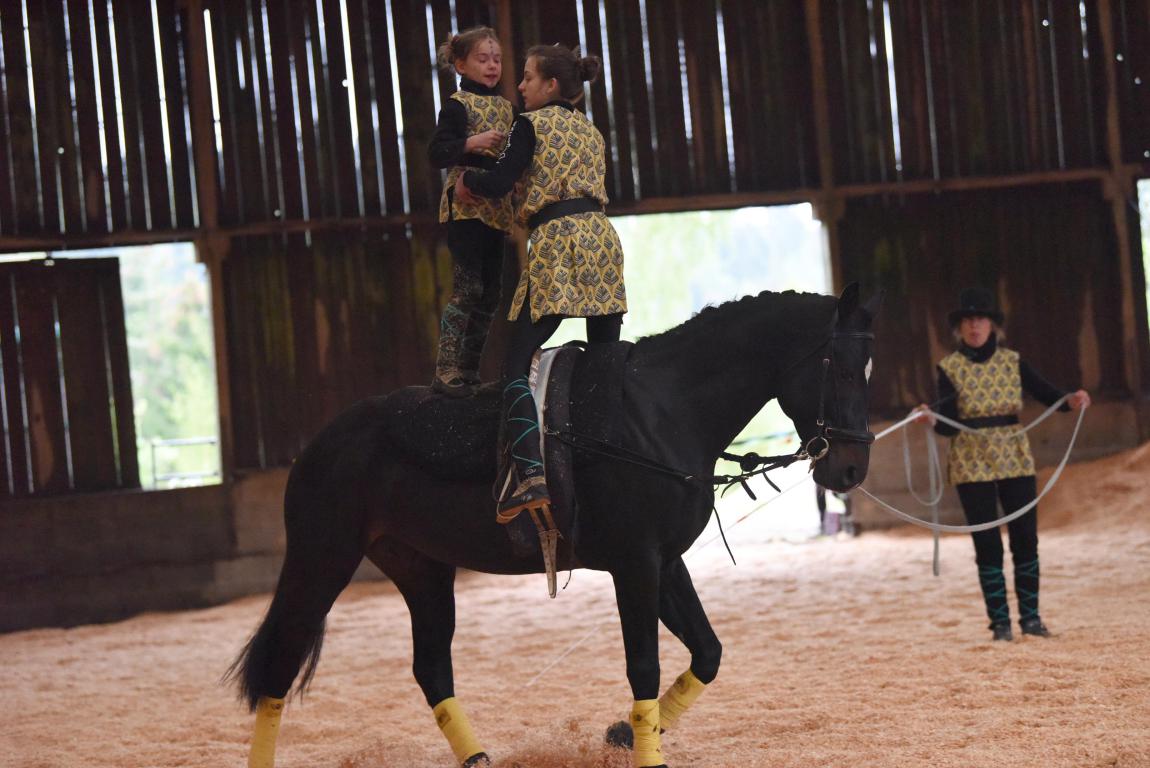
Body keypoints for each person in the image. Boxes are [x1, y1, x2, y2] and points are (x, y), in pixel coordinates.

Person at [456, 43, 627, 523]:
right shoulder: (590, 133)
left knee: (515, 363)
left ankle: (529, 475)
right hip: (601, 242)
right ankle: (607, 460)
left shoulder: (529, 125)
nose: (521, 86)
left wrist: (470, 182)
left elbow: (502, 177)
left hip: (557, 244)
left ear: (550, 85)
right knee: (604, 360)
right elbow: (552, 179)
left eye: (528, 78)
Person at [916, 287, 1090, 642]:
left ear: (992, 325)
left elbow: (1049, 395)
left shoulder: (1013, 361)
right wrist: (930, 419)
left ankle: (1031, 619)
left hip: (1013, 455)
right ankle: (1000, 624)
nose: (974, 327)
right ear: (960, 329)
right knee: (987, 543)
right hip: (970, 459)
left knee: (1026, 538)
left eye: (979, 320)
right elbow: (949, 423)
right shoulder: (948, 369)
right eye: (967, 321)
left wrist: (1072, 400)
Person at [427, 26, 515, 397]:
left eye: (496, 59)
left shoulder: (509, 108)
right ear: (460, 65)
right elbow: (436, 153)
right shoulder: (457, 105)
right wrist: (472, 142)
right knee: (469, 287)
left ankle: (468, 370)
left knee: (492, 292)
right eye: (482, 59)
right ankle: (446, 370)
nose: (492, 65)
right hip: (465, 207)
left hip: (497, 209)